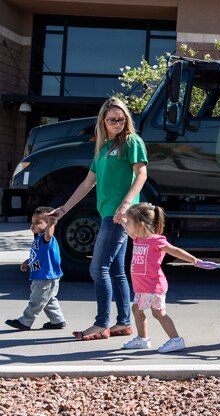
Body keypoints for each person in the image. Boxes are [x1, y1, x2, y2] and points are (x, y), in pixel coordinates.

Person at [52, 97, 147, 341]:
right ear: (103, 122)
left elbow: (141, 174)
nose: (117, 123)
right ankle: (123, 323)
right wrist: (63, 209)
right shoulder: (103, 148)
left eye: (121, 119)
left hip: (119, 216)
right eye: (112, 120)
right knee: (116, 271)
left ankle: (101, 324)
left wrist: (126, 205)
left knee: (98, 267)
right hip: (107, 213)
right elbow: (87, 183)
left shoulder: (131, 141)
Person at [120, 203, 205, 353]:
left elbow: (174, 250)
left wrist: (194, 260)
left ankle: (176, 340)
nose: (127, 225)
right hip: (142, 287)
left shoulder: (156, 240)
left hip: (153, 286)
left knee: (158, 313)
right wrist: (122, 220)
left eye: (130, 222)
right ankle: (142, 339)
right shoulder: (137, 238)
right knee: (137, 310)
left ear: (140, 224)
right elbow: (127, 229)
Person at [5, 207, 66, 331]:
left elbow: (49, 233)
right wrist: (28, 262)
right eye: (32, 223)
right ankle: (57, 320)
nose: (33, 226)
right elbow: (38, 255)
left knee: (36, 300)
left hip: (46, 276)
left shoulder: (46, 238)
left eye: (38, 222)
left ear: (49, 224)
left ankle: (25, 321)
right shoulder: (38, 240)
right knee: (48, 299)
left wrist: (51, 221)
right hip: (41, 275)